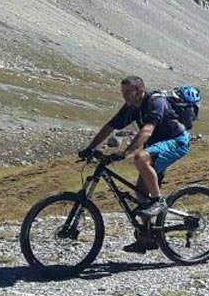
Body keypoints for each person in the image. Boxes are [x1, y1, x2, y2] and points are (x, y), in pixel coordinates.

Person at [80, 76, 191, 250]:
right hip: (156, 146)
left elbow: (147, 131)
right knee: (141, 192)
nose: (124, 95)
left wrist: (125, 152)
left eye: (127, 92)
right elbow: (110, 126)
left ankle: (158, 201)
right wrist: (90, 148)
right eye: (122, 92)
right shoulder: (131, 106)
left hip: (176, 141)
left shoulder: (156, 102)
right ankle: (147, 236)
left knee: (140, 158)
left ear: (139, 91)